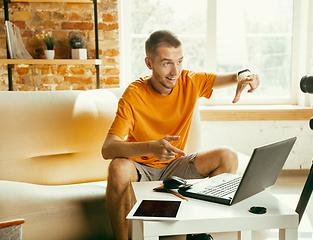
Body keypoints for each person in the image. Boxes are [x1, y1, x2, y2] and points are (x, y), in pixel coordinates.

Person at [102, 30, 260, 240]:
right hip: (140, 168)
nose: (175, 70)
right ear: (149, 63)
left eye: (179, 61)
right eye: (166, 63)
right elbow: (108, 148)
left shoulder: (190, 81)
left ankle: (196, 232)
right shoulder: (134, 94)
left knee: (228, 156)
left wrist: (246, 76)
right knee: (118, 167)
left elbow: (233, 77)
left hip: (175, 167)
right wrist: (151, 147)